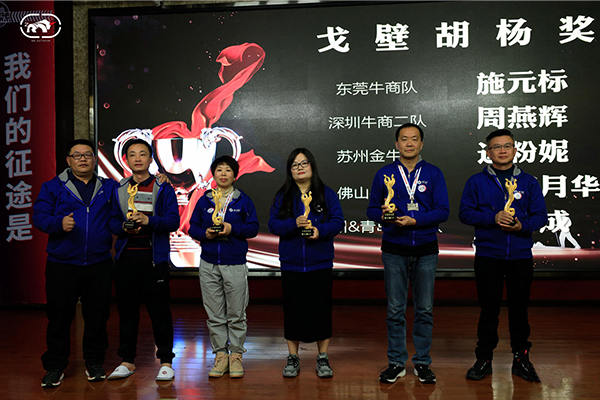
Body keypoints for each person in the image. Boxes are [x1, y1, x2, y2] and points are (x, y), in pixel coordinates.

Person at [459, 129, 547, 383]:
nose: (502, 150)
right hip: (489, 255)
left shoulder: (529, 182)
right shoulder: (476, 182)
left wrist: (522, 226)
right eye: (496, 147)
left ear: (515, 150)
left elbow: (541, 217)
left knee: (520, 310)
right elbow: (465, 213)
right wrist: (492, 217)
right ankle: (484, 359)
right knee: (489, 310)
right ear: (488, 153)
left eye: (507, 146)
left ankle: (521, 359)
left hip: (520, 256)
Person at [367, 123, 449, 385]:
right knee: (395, 309)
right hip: (394, 249)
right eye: (404, 139)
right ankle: (396, 362)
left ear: (421, 144)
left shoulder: (433, 173)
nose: (409, 143)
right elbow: (371, 210)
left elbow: (443, 210)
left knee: (424, 309)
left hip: (426, 249)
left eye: (414, 139)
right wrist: (384, 215)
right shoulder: (384, 174)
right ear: (397, 144)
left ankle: (422, 363)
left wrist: (416, 220)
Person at [33, 139, 118, 387]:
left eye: (87, 155)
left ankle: (95, 363)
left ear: (94, 160)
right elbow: (39, 217)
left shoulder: (108, 187)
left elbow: (134, 189)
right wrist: (58, 224)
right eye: (77, 155)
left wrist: (161, 180)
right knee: (59, 318)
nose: (83, 159)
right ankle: (55, 367)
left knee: (98, 317)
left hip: (99, 263)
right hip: (62, 264)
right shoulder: (52, 187)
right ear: (68, 160)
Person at [107, 139, 180, 381]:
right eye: (132, 154)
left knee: (160, 313)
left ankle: (166, 361)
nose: (137, 158)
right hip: (127, 259)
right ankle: (127, 361)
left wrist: (149, 221)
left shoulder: (163, 187)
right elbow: (111, 221)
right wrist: (123, 227)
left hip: (154, 259)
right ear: (126, 160)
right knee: (127, 313)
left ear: (151, 159)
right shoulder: (119, 188)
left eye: (142, 154)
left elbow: (173, 221)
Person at [268, 148, 344, 379]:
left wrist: (319, 231)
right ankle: (293, 357)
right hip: (291, 263)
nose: (300, 168)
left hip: (319, 263)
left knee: (321, 310)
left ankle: (323, 357)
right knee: (293, 311)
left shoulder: (326, 193)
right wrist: (294, 223)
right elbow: (273, 225)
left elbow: (338, 222)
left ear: (312, 166)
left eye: (304, 163)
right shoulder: (283, 195)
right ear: (290, 170)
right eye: (295, 165)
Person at [188, 155, 259, 379]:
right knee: (215, 314)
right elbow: (192, 228)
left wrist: (232, 228)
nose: (223, 174)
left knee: (236, 313)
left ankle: (236, 355)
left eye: (228, 170)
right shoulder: (205, 200)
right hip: (209, 263)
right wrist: (205, 234)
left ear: (235, 175)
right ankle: (220, 354)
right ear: (214, 174)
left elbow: (253, 228)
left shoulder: (243, 200)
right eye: (219, 170)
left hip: (234, 263)